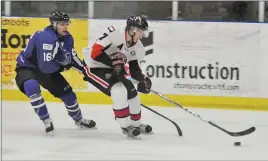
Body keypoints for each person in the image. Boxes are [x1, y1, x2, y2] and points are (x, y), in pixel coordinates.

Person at [14, 11, 96, 134]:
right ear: (54, 24)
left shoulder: (67, 37)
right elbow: (45, 67)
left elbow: (72, 57)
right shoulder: (47, 38)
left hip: (47, 67)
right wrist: (62, 67)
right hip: (27, 67)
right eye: (62, 24)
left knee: (69, 96)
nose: (65, 26)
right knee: (32, 86)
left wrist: (85, 70)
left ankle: (79, 120)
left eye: (66, 23)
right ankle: (46, 119)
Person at [82, 15, 153, 138]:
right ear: (133, 30)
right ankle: (125, 125)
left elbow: (134, 69)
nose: (142, 35)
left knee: (132, 93)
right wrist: (113, 63)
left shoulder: (139, 47)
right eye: (141, 31)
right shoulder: (114, 32)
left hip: (113, 67)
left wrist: (142, 79)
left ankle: (135, 123)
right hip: (93, 66)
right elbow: (95, 53)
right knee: (118, 90)